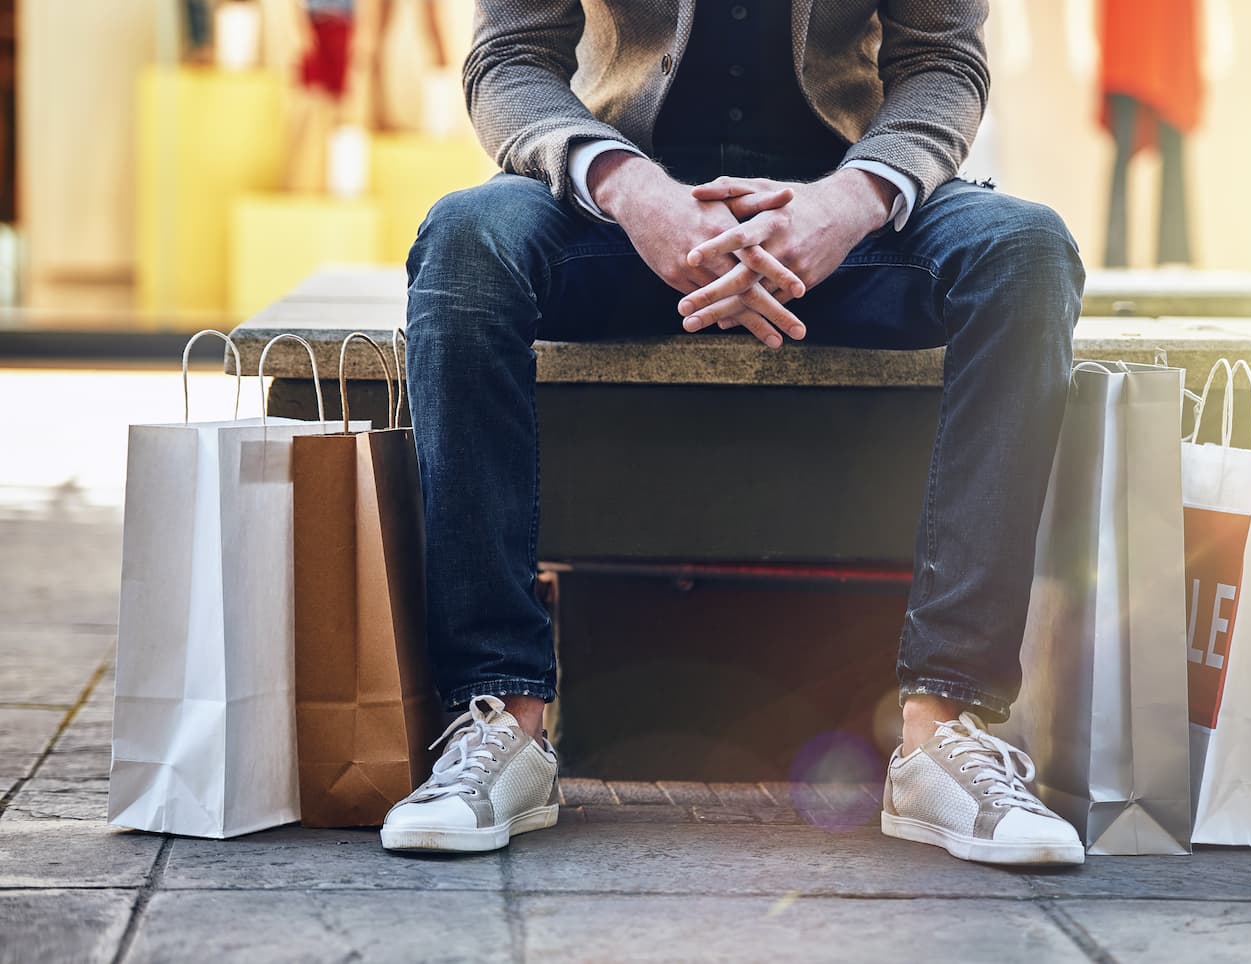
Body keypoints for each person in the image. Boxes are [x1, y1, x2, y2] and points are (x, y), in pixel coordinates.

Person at [380, 0, 1087, 867]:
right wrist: (627, 186)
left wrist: (849, 200)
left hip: (846, 214)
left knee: (1027, 251)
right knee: (465, 241)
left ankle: (943, 728)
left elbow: (944, 62)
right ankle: (502, 721)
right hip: (612, 213)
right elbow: (509, 60)